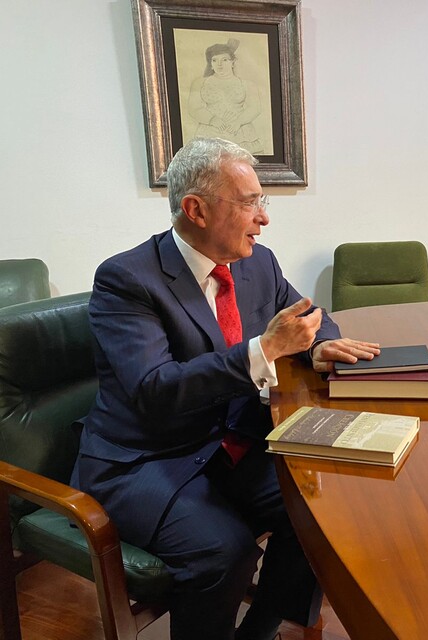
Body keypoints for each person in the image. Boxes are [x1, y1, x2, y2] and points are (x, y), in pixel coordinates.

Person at [72, 137, 380, 640]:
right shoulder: (127, 280)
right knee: (223, 552)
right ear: (195, 209)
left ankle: (260, 630)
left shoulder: (257, 262)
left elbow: (303, 315)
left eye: (263, 200)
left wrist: (319, 344)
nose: (264, 217)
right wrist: (264, 349)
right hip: (148, 458)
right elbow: (154, 389)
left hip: (229, 443)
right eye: (249, 202)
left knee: (321, 511)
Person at [188, 39, 265, 153]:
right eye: (214, 60)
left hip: (241, 133)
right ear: (211, 64)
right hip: (210, 133)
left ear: (233, 62)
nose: (219, 64)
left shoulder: (247, 84)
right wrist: (212, 120)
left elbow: (255, 108)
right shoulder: (199, 83)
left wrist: (238, 122)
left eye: (224, 60)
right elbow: (194, 108)